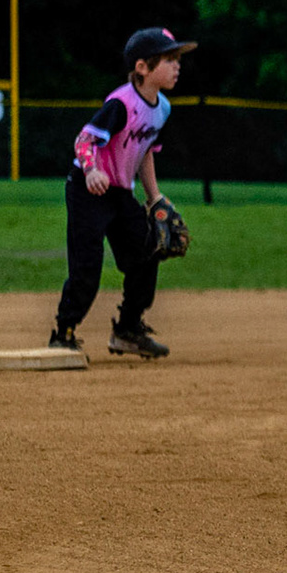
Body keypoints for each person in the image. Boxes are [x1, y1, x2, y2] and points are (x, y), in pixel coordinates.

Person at [48, 27, 196, 358]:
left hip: (119, 192)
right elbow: (84, 140)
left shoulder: (163, 108)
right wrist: (91, 170)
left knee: (147, 252)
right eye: (169, 59)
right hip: (88, 189)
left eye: (177, 60)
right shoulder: (122, 103)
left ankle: (128, 329)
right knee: (87, 267)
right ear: (142, 67)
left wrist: (154, 197)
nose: (177, 66)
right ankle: (64, 333)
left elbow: (145, 151)